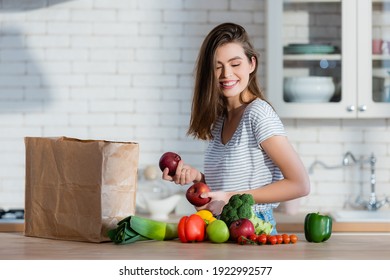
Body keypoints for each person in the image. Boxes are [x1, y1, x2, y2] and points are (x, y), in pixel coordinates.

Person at [162, 22, 310, 233]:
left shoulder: (259, 114)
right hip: (219, 229)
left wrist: (231, 197)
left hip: (254, 231)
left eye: (235, 64)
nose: (226, 74)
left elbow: (300, 184)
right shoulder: (220, 119)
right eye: (217, 66)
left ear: (252, 64)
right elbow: (226, 187)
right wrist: (196, 178)